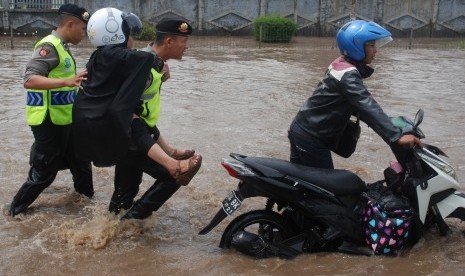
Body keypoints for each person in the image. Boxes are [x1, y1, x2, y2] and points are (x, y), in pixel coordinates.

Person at [288, 20, 422, 170]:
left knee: (300, 185)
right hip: (311, 137)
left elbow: (359, 107)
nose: (375, 51)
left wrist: (390, 123)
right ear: (356, 46)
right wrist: (397, 136)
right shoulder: (348, 75)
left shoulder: (340, 64)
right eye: (371, 45)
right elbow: (365, 104)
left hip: (302, 128)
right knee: (328, 189)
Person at [108, 17, 202, 220]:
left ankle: (114, 231)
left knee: (123, 198)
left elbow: (144, 111)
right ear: (169, 42)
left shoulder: (153, 64)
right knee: (175, 176)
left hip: (130, 140)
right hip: (134, 140)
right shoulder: (144, 68)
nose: (186, 47)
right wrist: (168, 155)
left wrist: (169, 149)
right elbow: (126, 111)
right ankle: (133, 221)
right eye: (183, 41)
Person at [8, 4, 93, 217]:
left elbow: (63, 82)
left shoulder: (63, 47)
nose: (85, 34)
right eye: (82, 29)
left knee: (81, 162)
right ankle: (13, 211)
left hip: (65, 120)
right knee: (44, 174)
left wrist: (78, 78)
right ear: (71, 24)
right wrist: (67, 80)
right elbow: (29, 79)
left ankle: (88, 207)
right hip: (48, 121)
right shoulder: (49, 46)